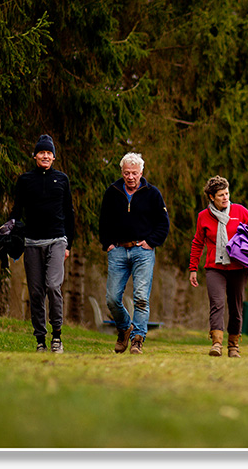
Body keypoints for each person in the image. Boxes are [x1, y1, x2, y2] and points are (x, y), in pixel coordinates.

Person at [0, 134, 75, 353]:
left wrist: (69, 244)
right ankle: (40, 340)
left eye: (49, 153)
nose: (45, 156)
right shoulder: (25, 180)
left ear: (53, 157)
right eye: (42, 152)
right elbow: (16, 210)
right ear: (35, 156)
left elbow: (69, 213)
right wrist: (10, 230)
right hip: (31, 242)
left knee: (53, 285)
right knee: (35, 292)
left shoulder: (62, 179)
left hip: (57, 240)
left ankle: (57, 337)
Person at [189, 175, 248, 358]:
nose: (225, 197)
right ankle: (217, 343)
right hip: (214, 268)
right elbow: (197, 243)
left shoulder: (240, 211)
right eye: (221, 195)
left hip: (238, 268)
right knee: (217, 304)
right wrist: (193, 268)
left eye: (227, 193)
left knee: (236, 307)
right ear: (212, 197)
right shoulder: (203, 217)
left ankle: (233, 345)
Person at [98, 152, 170, 354]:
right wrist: (108, 244)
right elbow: (103, 221)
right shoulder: (112, 192)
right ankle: (124, 328)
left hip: (143, 251)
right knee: (112, 299)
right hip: (118, 250)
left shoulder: (152, 193)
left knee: (141, 297)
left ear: (141, 173)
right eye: (127, 173)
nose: (130, 177)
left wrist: (151, 242)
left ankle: (137, 339)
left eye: (134, 173)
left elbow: (163, 224)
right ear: (122, 172)